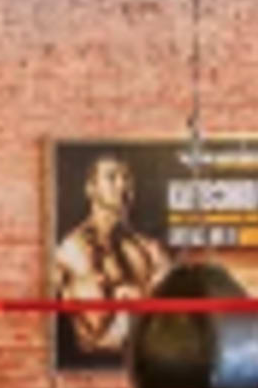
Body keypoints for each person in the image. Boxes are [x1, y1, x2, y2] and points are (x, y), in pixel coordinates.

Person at [52, 152, 172, 361]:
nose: (121, 185)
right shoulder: (73, 249)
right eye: (111, 177)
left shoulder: (150, 250)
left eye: (126, 178)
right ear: (91, 188)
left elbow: (172, 317)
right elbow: (97, 334)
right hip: (94, 365)